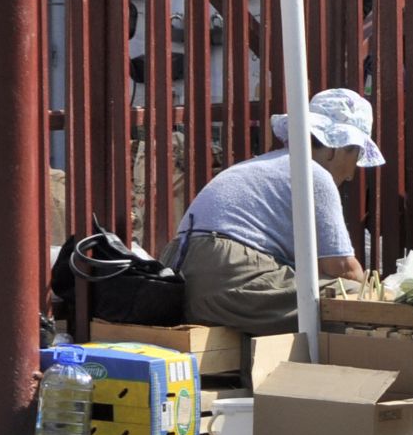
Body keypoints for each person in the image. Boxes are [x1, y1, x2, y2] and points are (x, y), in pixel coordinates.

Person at [161, 88, 380, 335]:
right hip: (226, 273)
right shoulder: (313, 173)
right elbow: (341, 267)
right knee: (349, 303)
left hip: (182, 275)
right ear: (337, 148)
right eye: (357, 154)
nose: (352, 174)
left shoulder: (265, 164)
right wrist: (385, 299)